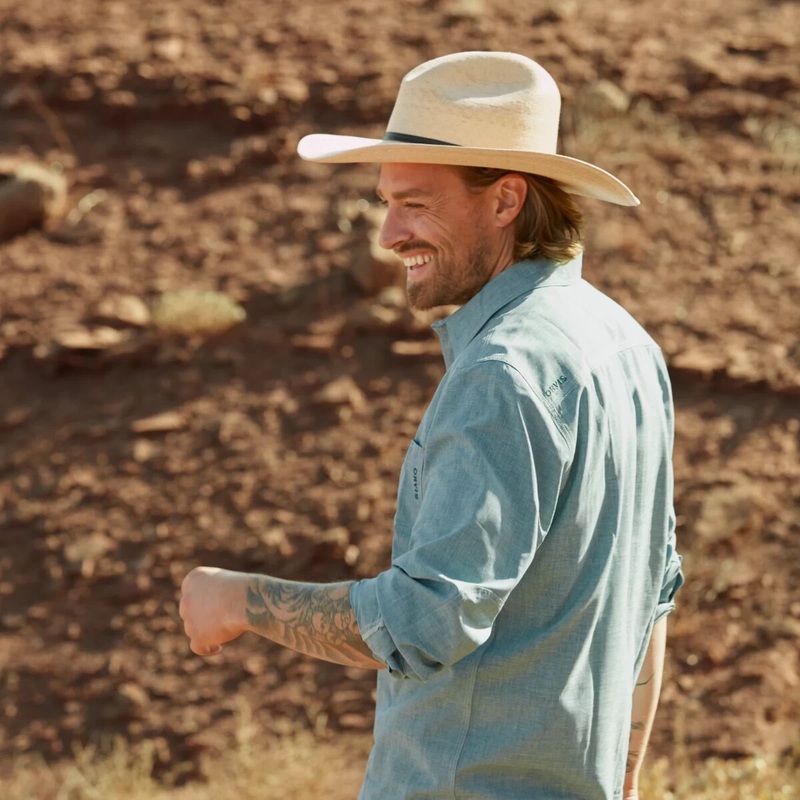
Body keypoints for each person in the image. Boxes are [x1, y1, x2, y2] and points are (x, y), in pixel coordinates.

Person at [179, 51, 684, 799]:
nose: (390, 235)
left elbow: (425, 621)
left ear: (506, 200)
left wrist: (241, 600)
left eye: (414, 203)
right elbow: (651, 602)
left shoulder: (501, 373)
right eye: (386, 202)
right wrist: (627, 778)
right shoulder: (626, 345)